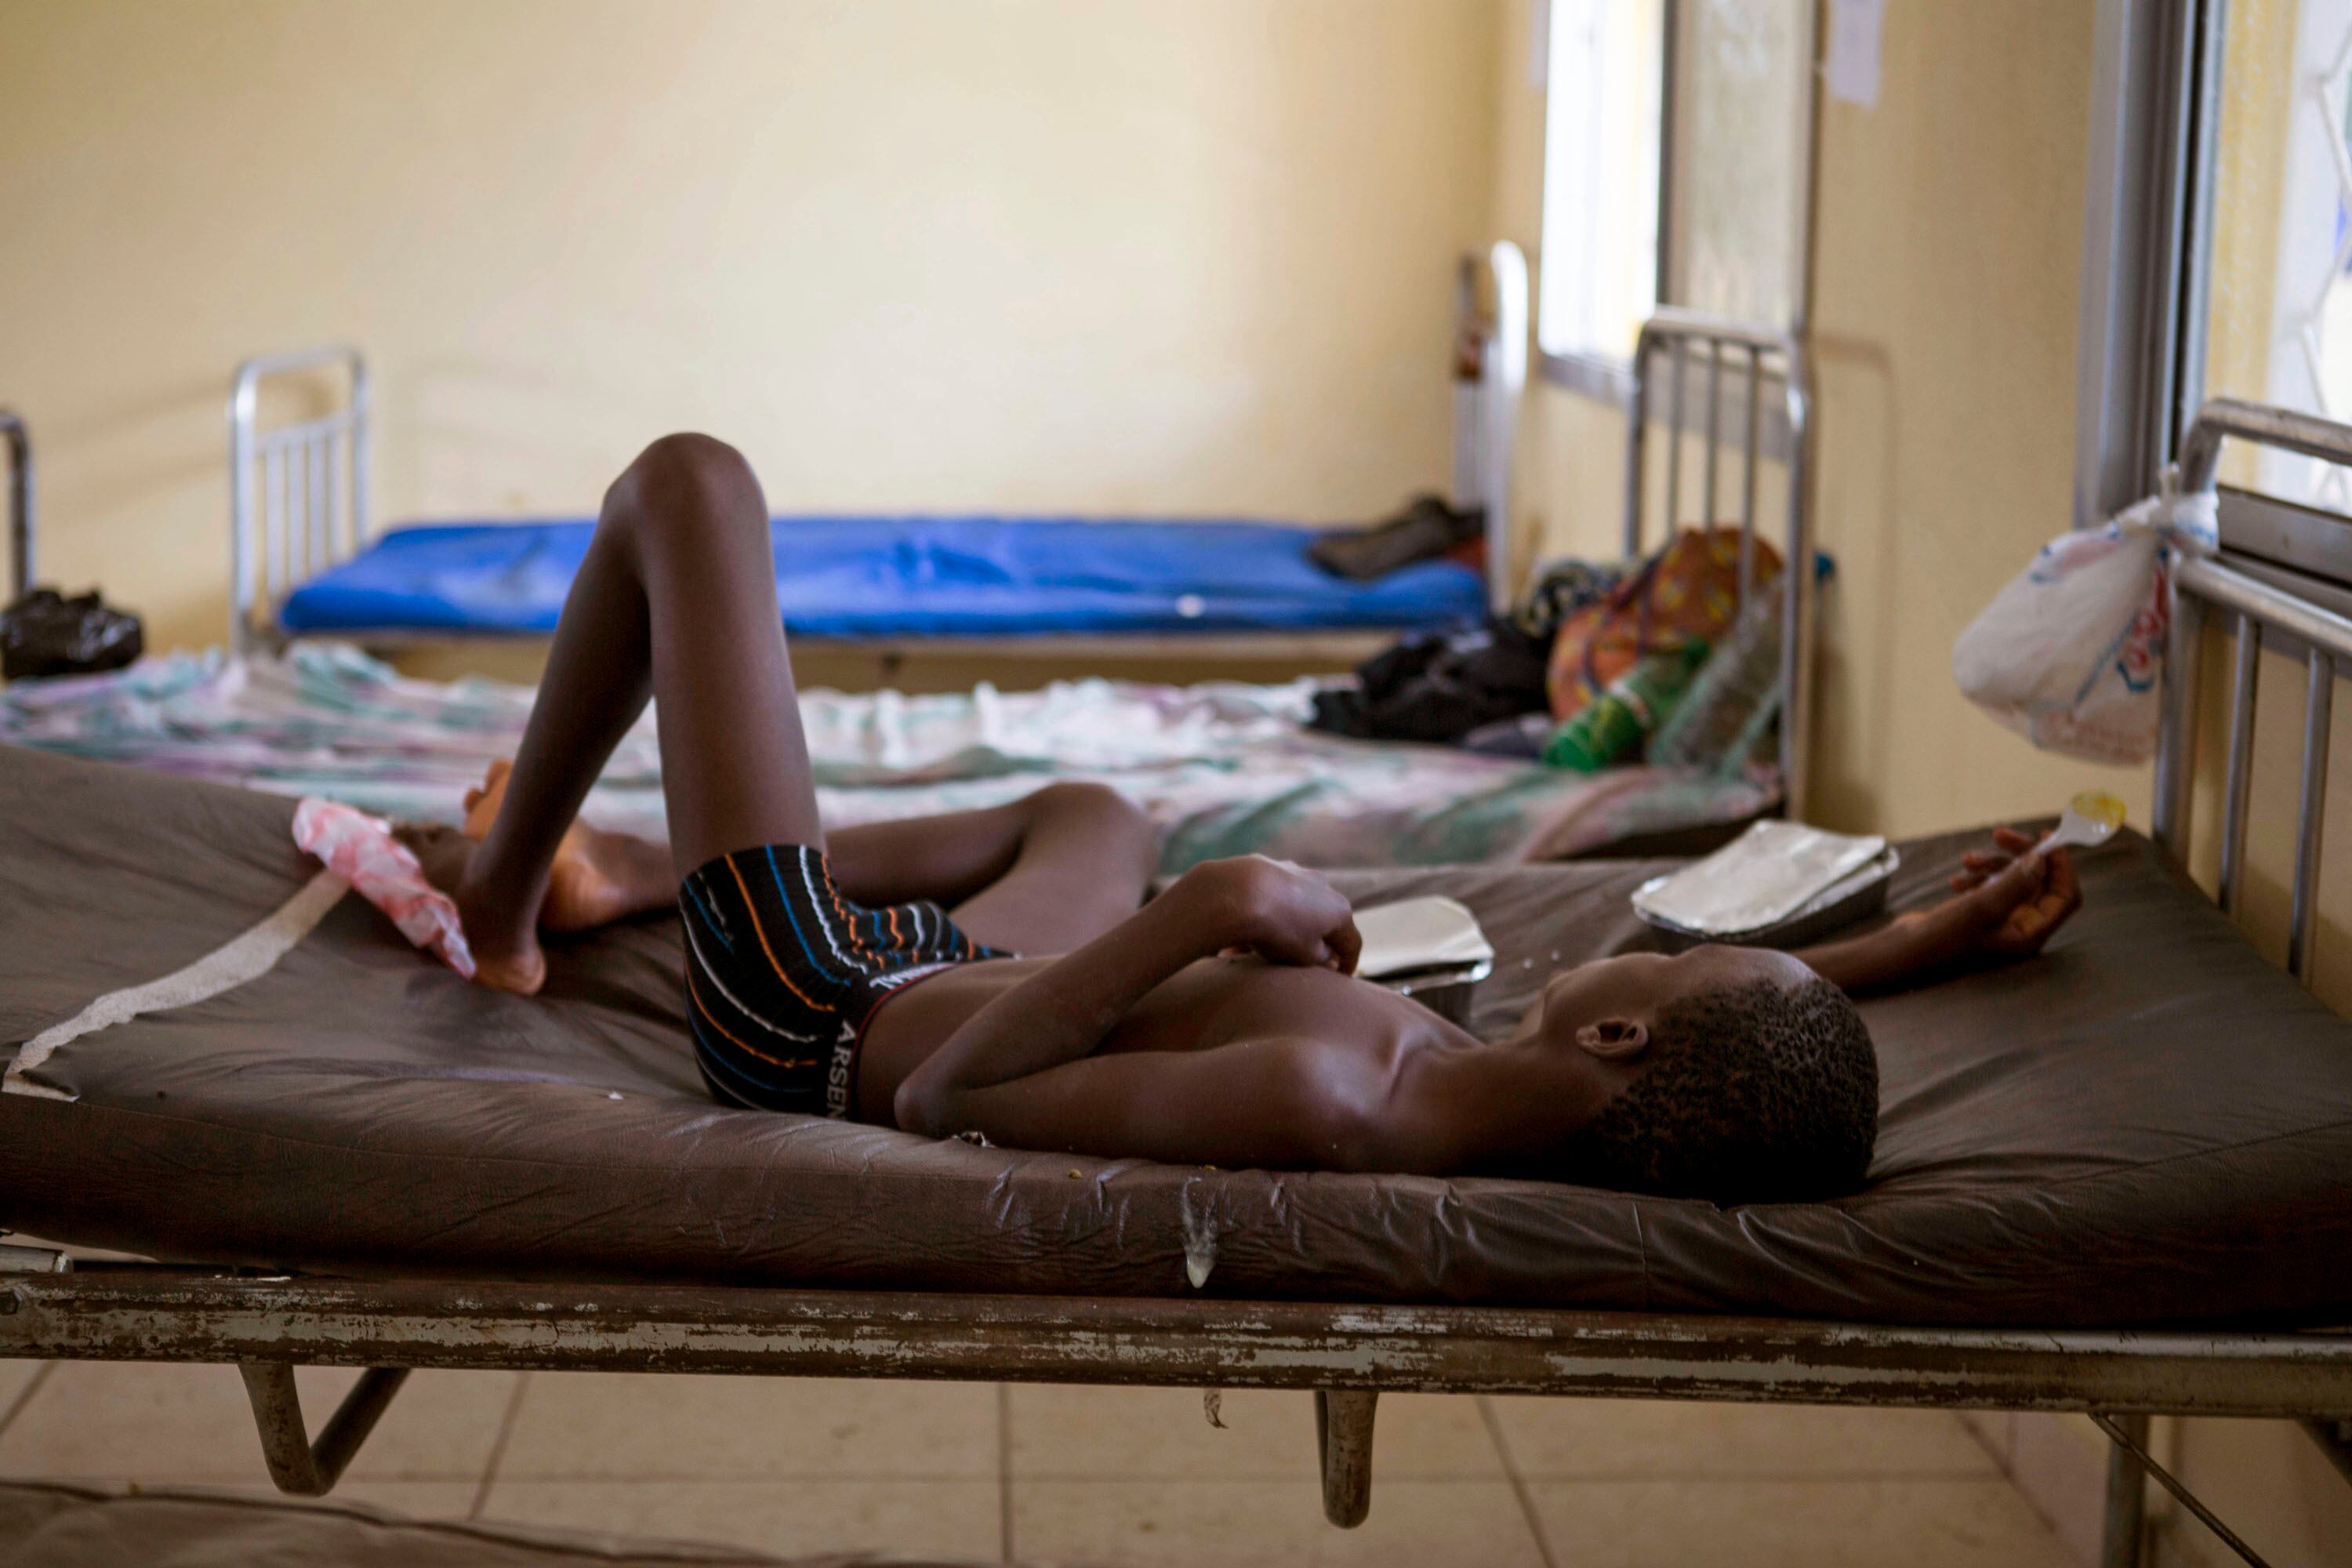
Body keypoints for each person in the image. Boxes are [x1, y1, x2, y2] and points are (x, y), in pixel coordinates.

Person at [418, 434, 2083, 1205]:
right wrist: (1925, 936)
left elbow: (943, 1098)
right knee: (1094, 803)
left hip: (822, 1011)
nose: (1646, 942)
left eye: (1677, 960)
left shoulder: (1331, 1097)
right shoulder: (1508, 1087)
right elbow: (1737, 1051)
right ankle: (630, 865)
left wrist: (1210, 906)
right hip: (974, 968)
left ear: (1627, 1032)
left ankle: (503, 905)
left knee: (692, 487)